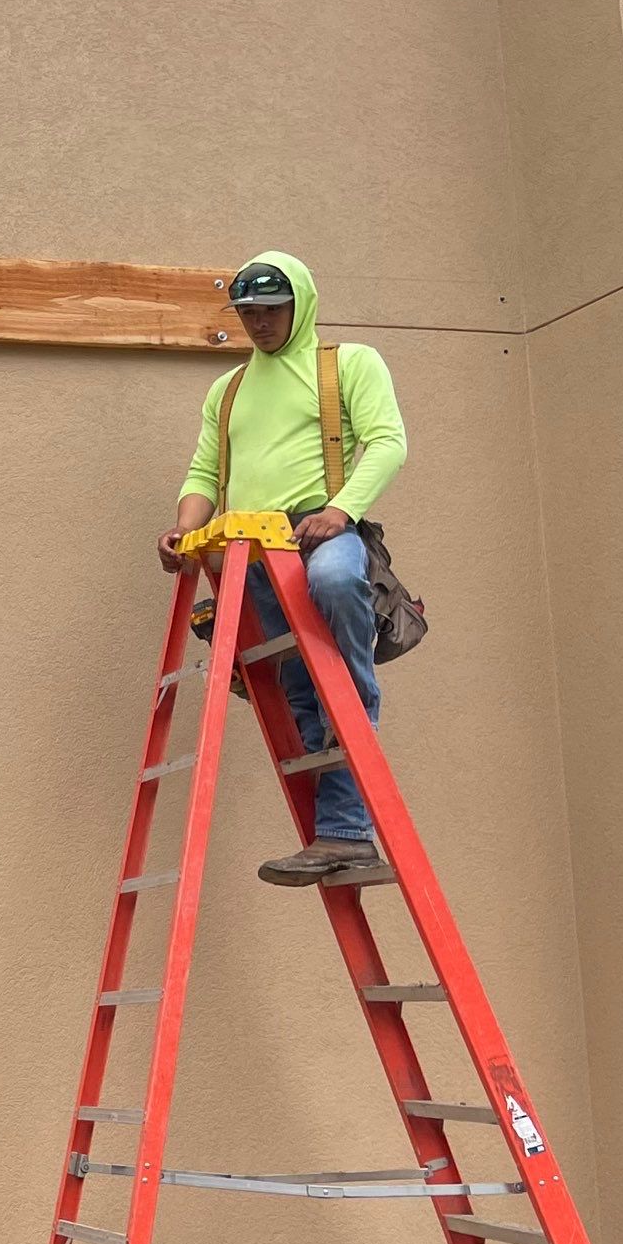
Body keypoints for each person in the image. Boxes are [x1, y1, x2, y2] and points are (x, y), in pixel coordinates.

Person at [157, 250, 408, 884]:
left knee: (334, 604)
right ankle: (339, 838)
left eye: (272, 310)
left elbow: (388, 442)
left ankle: (352, 701)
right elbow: (202, 472)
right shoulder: (230, 388)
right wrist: (184, 530)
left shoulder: (346, 364)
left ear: (300, 304)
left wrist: (343, 511)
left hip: (320, 531)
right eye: (248, 313)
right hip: (252, 549)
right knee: (297, 686)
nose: (260, 323)